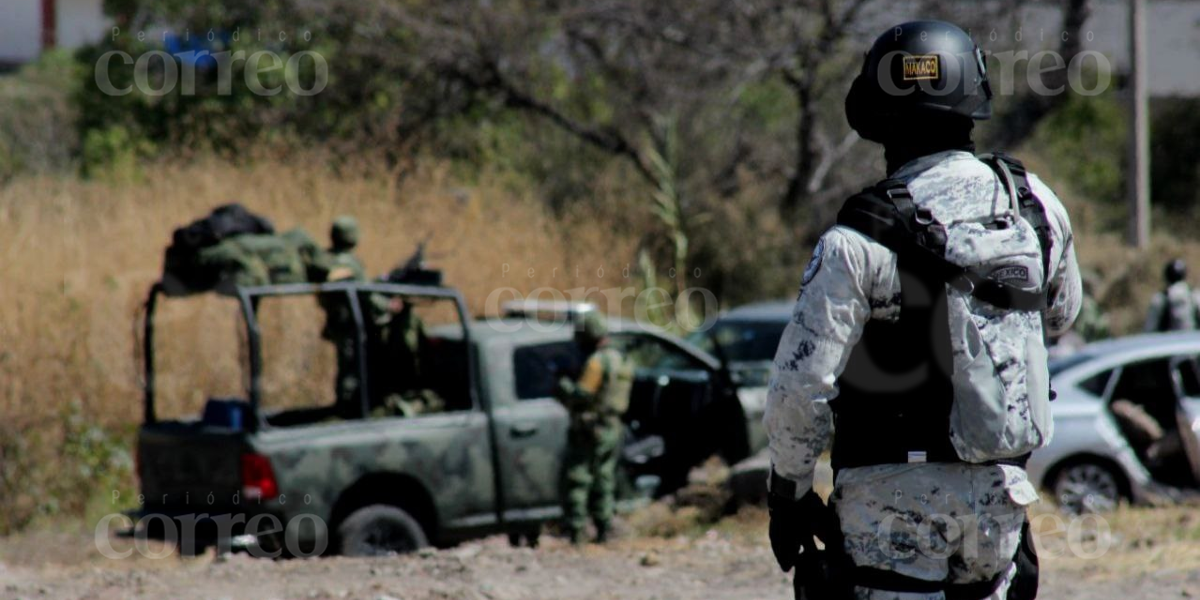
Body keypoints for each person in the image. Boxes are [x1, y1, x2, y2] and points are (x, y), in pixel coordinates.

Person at [764, 21, 1082, 600]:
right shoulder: (1036, 206)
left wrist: (787, 492)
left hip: (889, 513)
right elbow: (1058, 317)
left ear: (877, 115)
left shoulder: (860, 235)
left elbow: (800, 386)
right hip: (998, 509)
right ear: (973, 98)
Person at [556, 312, 633, 545]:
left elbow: (583, 395)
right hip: (613, 427)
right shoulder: (621, 358)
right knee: (604, 479)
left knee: (578, 479)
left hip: (592, 428)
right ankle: (603, 529)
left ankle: (577, 533)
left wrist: (562, 385)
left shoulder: (596, 362)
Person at [320, 215, 367, 406]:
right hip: (349, 322)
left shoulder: (326, 258)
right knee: (350, 366)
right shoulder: (348, 263)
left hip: (338, 320)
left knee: (346, 364)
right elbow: (365, 293)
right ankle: (348, 405)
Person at [1145, 259, 1200, 332]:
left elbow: (1150, 328)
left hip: (1166, 342)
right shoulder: (1194, 295)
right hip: (1192, 341)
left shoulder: (1160, 298)